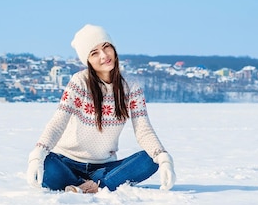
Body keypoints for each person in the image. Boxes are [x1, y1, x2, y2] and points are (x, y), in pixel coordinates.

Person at [26, 24, 175, 193]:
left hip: (104, 168)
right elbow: (58, 122)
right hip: (66, 163)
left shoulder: (131, 87)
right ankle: (98, 186)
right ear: (87, 60)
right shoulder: (79, 82)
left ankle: (81, 186)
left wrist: (163, 159)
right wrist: (38, 154)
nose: (104, 55)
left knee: (150, 159)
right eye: (94, 52)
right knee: (47, 164)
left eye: (106, 47)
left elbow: (143, 129)